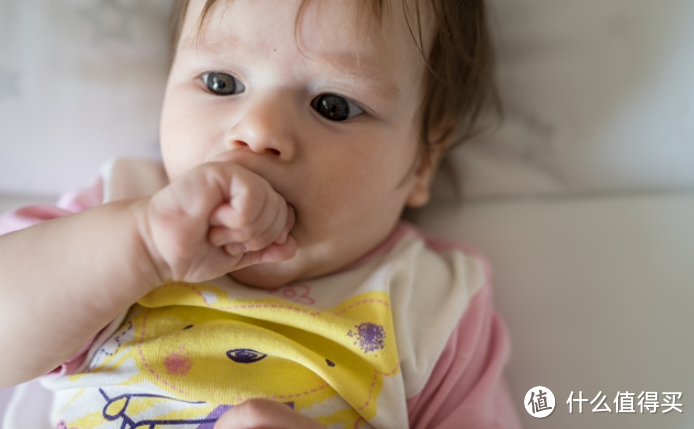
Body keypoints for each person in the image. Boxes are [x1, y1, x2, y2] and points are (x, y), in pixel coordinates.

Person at [0, 0, 521, 427]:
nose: (259, 130)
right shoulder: (120, 207)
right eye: (221, 83)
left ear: (425, 158)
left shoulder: (430, 297)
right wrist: (142, 246)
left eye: (333, 105)